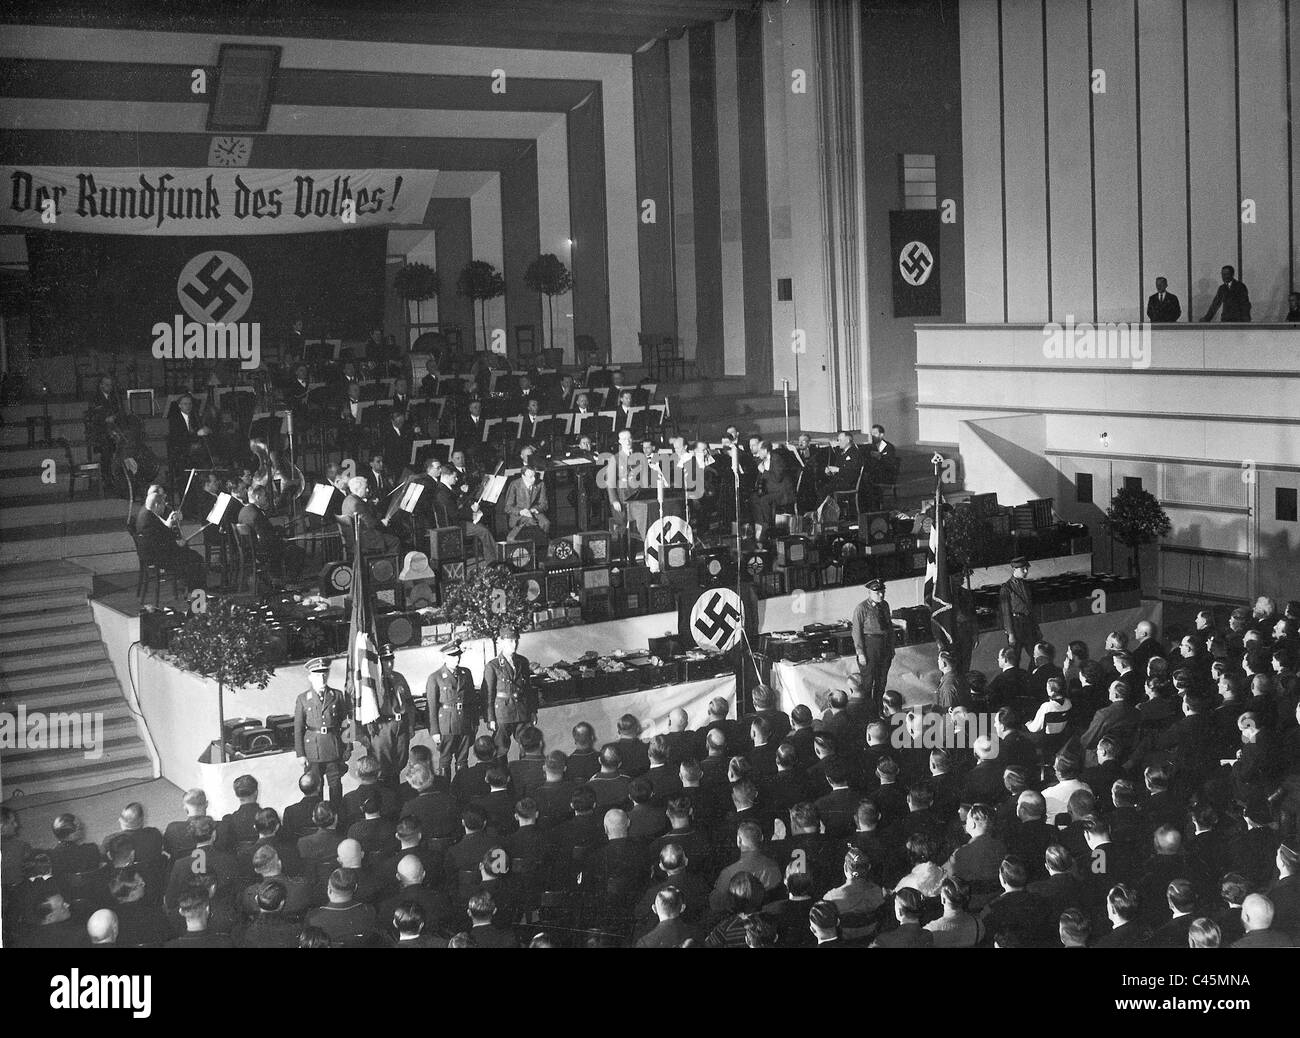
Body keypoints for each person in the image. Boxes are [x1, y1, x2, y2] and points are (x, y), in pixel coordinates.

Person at [293, 657, 352, 806]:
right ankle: (317, 818)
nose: (322, 677)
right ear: (310, 677)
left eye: (325, 673)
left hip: (333, 747)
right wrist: (300, 754)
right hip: (313, 750)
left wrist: (348, 746)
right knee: (314, 789)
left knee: (336, 787)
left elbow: (346, 723)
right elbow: (298, 728)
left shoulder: (336, 695)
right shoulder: (303, 699)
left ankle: (337, 818)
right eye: (318, 674)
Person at [134, 483, 206, 591]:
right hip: (158, 557)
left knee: (190, 555)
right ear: (157, 505)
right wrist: (178, 543)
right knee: (196, 558)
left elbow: (160, 534)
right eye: (163, 504)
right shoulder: (149, 519)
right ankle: (196, 593)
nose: (165, 507)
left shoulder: (145, 513)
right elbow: (163, 538)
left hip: (152, 553)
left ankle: (189, 586)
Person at [363, 644, 416, 786]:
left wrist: (410, 725)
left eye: (391, 660)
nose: (390, 663)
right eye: (386, 660)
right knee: (382, 765)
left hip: (400, 725)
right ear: (379, 662)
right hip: (382, 727)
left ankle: (395, 795)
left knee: (399, 763)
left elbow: (410, 704)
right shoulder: (373, 681)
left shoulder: (399, 678)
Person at [427, 640, 478, 778]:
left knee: (463, 760)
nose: (457, 658)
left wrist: (474, 723)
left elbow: (472, 700)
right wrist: (434, 731)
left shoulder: (465, 673)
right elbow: (431, 707)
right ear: (444, 657)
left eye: (458, 655)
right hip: (446, 725)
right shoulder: (435, 677)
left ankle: (462, 792)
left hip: (464, 722)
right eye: (453, 656)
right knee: (445, 760)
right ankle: (445, 794)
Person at [483, 627, 535, 755]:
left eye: (516, 641)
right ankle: (501, 775)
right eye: (510, 641)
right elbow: (488, 695)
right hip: (503, 713)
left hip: (522, 710)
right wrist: (490, 718)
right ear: (501, 642)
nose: (514, 644)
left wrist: (533, 711)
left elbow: (528, 689)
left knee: (528, 746)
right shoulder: (493, 666)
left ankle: (525, 772)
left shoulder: (522, 661)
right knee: (500, 749)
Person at [237, 484, 304, 579]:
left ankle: (280, 579)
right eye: (265, 496)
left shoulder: (243, 511)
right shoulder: (257, 515)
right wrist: (281, 538)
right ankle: (290, 581)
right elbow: (266, 539)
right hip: (263, 552)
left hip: (251, 550)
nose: (266, 498)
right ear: (257, 497)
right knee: (296, 550)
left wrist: (275, 530)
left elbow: (263, 531)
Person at [852, 578, 895, 713]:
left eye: (883, 592)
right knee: (868, 682)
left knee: (881, 681)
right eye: (877, 593)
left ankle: (878, 710)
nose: (881, 595)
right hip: (870, 646)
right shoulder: (861, 608)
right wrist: (860, 653)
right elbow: (856, 632)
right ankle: (866, 713)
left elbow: (889, 627)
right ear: (870, 592)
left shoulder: (885, 605)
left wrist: (891, 647)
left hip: (885, 645)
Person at [340, 475, 401, 554]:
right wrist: (382, 523)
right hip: (365, 540)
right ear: (357, 489)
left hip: (356, 538)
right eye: (365, 488)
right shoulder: (356, 503)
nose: (368, 490)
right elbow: (370, 524)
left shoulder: (348, 499)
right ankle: (386, 565)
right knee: (395, 541)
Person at [999, 557, 1039, 667]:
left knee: (1036, 655)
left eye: (1026, 569)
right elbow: (1006, 613)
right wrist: (1011, 634)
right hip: (1016, 624)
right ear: (1014, 569)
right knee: (1014, 658)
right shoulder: (1006, 588)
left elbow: (1030, 608)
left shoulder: (1026, 585)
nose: (1026, 571)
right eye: (1023, 569)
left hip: (1028, 623)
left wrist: (1036, 628)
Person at [502, 464, 550, 542]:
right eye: (530, 477)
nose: (534, 479)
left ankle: (541, 547)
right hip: (518, 516)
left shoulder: (540, 484)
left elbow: (544, 504)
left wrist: (535, 509)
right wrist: (521, 511)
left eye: (534, 476)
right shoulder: (514, 485)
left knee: (546, 523)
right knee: (531, 522)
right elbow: (507, 507)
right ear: (523, 476)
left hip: (534, 512)